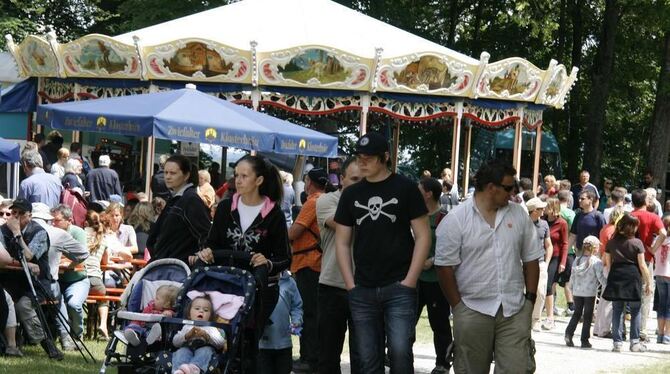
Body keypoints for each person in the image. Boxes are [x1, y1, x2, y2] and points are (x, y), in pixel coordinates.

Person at [334, 132, 430, 374]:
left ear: (385, 157)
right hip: (363, 286)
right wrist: (350, 284)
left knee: (399, 353)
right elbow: (342, 241)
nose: (362, 162)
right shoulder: (351, 194)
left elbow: (423, 236)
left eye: (369, 158)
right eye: (359, 157)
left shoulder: (406, 188)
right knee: (367, 359)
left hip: (399, 285)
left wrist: (409, 281)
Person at [435, 160, 541, 374]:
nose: (513, 194)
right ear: (492, 187)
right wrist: (459, 307)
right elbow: (444, 267)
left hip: (513, 310)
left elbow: (531, 260)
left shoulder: (519, 214)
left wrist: (529, 301)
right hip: (472, 309)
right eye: (509, 188)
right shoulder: (457, 219)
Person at [199, 154, 291, 373]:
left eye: (244, 176)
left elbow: (285, 258)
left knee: (247, 344)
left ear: (259, 180)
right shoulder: (224, 208)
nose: (237, 180)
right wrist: (206, 252)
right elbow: (212, 242)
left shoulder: (274, 213)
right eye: (236, 175)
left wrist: (267, 262)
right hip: (224, 285)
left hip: (260, 291)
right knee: (219, 339)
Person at [0, 198, 63, 359]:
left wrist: (17, 234)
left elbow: (28, 256)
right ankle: (10, 344)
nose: (16, 216)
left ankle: (47, 345)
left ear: (30, 215)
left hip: (36, 283)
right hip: (10, 280)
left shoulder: (39, 232)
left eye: (21, 213)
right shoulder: (2, 230)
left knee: (22, 306)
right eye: (14, 213)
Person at [315, 156, 362, 374]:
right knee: (327, 355)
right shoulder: (326, 201)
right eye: (354, 178)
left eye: (365, 179)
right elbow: (345, 226)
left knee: (363, 356)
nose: (360, 184)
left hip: (365, 286)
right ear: (342, 179)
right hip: (332, 285)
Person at [289, 167, 332, 372]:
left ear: (309, 182)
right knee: (315, 312)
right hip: (318, 263)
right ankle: (312, 356)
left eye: (305, 180)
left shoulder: (313, 201)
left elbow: (294, 232)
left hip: (308, 262)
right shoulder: (327, 199)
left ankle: (308, 358)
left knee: (309, 313)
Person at [31, 203, 88, 351]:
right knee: (57, 297)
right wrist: (70, 263)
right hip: (49, 284)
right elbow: (83, 254)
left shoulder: (20, 231)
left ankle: (27, 338)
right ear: (49, 219)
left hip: (26, 283)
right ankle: (65, 338)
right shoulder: (57, 233)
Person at [146, 155, 211, 263]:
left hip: (177, 270)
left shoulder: (190, 200)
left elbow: (206, 235)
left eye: (173, 173)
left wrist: (198, 256)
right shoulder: (177, 198)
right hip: (165, 266)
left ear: (186, 176)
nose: (167, 177)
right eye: (166, 172)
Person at [416, 177, 452, 374]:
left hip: (436, 281)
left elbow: (452, 247)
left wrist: (432, 261)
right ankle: (398, 358)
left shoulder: (445, 218)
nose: (416, 192)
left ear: (428, 194)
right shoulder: (415, 215)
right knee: (405, 321)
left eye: (419, 189)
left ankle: (443, 363)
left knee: (439, 324)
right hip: (415, 279)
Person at [603, 213, 653, 352]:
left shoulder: (611, 242)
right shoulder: (637, 243)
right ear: (632, 227)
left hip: (616, 274)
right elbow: (642, 265)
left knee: (617, 309)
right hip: (632, 276)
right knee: (636, 310)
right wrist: (648, 282)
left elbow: (607, 262)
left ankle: (617, 343)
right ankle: (634, 342)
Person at [629, 189, 667, 341]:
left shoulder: (628, 215)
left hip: (628, 258)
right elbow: (663, 233)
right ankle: (642, 330)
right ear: (645, 201)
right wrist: (654, 248)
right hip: (646, 257)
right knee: (646, 293)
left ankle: (625, 328)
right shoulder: (652, 216)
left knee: (628, 294)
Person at [51, 204, 89, 341]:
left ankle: (77, 336)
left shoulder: (78, 233)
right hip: (58, 280)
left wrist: (63, 259)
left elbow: (81, 258)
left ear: (69, 220)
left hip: (77, 279)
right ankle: (62, 335)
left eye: (57, 220)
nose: (53, 224)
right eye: (52, 220)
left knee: (74, 304)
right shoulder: (52, 232)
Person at [564, 236, 606, 348]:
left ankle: (568, 333)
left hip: (577, 292)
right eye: (597, 246)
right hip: (589, 293)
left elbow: (572, 277)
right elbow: (600, 277)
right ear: (594, 248)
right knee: (587, 316)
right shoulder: (596, 262)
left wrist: (572, 289)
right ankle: (584, 340)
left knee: (577, 314)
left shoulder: (577, 260)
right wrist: (607, 284)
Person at [258, 270, 303, 374]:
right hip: (262, 346)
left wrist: (296, 321)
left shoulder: (289, 282)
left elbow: (296, 306)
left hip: (284, 344)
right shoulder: (258, 282)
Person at [172, 295, 226, 374]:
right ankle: (180, 371)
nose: (201, 311)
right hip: (188, 349)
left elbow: (220, 343)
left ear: (210, 316)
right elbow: (175, 342)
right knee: (182, 351)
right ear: (189, 314)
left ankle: (194, 369)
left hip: (203, 352)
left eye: (206, 310)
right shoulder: (187, 326)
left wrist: (207, 336)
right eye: (197, 308)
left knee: (205, 351)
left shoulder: (211, 328)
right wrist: (186, 336)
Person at [526, 197, 553, 332]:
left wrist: (546, 263)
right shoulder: (522, 224)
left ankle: (536, 319)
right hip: (523, 263)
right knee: (521, 292)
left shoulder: (544, 225)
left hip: (540, 263)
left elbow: (549, 245)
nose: (544, 210)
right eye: (541, 208)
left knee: (541, 292)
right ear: (534, 211)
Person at [544, 197, 568, 331]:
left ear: (553, 208)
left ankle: (550, 317)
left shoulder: (562, 223)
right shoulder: (542, 221)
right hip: (541, 255)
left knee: (548, 285)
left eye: (546, 206)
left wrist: (563, 262)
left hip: (555, 257)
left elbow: (565, 244)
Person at [652, 215, 670, 344]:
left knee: (661, 305)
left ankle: (660, 334)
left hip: (659, 273)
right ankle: (668, 335)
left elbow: (651, 250)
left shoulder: (658, 239)